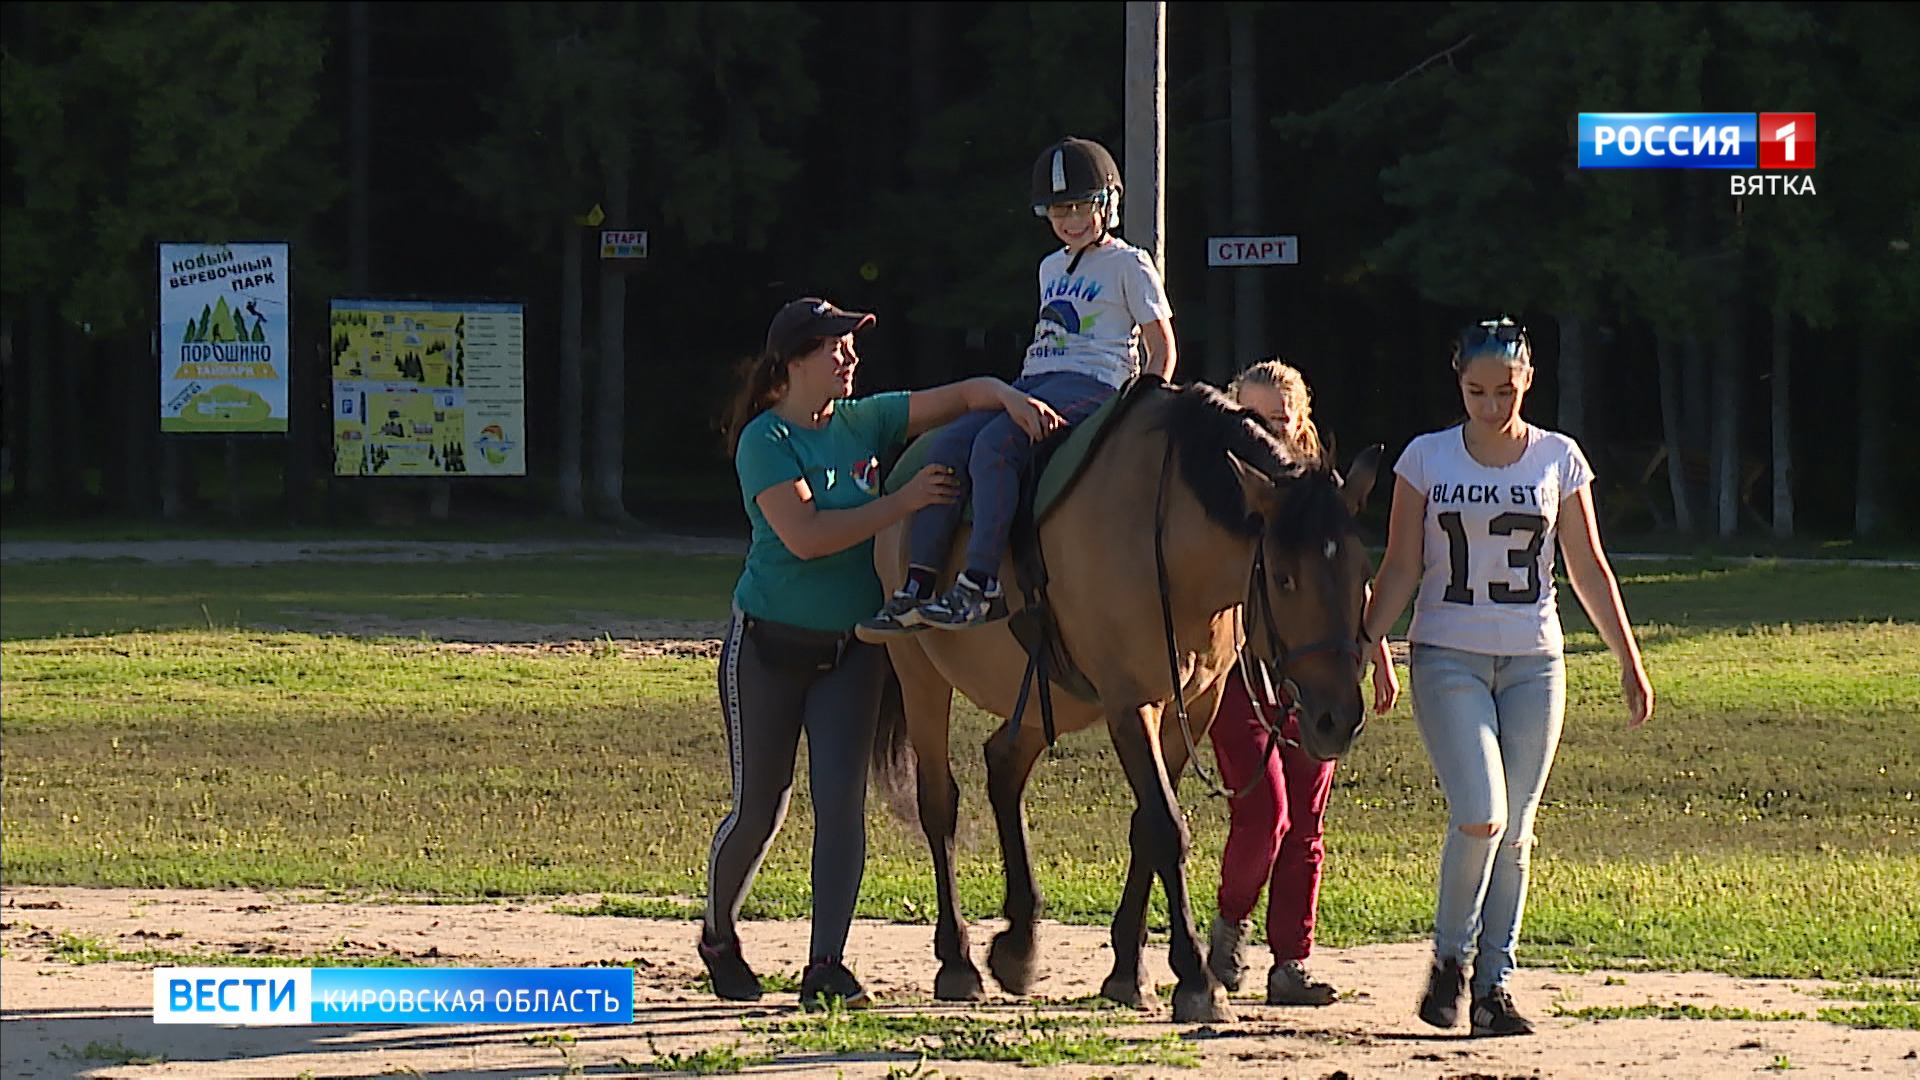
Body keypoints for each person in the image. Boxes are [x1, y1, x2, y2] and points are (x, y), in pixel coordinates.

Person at [702, 297, 1066, 1010]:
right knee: (760, 809)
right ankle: (719, 933)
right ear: (793, 361)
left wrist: (1010, 400)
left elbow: (960, 396)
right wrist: (903, 503)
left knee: (842, 807)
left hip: (851, 650)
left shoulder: (863, 419)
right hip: (769, 648)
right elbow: (806, 536)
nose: (850, 358)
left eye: (852, 347)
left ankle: (826, 967)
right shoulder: (765, 442)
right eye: (835, 348)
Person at [1359, 318, 1654, 1037]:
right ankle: (1451, 962)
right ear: (1457, 382)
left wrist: (1627, 657)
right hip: (1447, 653)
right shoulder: (1425, 459)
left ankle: (1494, 987)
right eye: (1475, 391)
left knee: (1517, 832)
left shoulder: (1558, 457)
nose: (1490, 406)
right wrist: (1366, 644)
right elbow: (1400, 565)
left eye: (1504, 390)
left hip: (1535, 660)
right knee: (1481, 813)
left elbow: (1586, 566)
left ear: (1528, 381)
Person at [858, 136, 1176, 637]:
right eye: (1056, 211)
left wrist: (1144, 410)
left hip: (1095, 383)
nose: (1069, 221)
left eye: (1079, 206)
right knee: (948, 444)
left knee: (995, 444)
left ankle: (981, 583)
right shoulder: (1049, 267)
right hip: (1034, 379)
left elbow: (1162, 346)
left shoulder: (1129, 264)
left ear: (1109, 202)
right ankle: (916, 585)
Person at [1204, 360, 1399, 1006]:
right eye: (1253, 420)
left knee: (1306, 821)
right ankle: (1230, 927)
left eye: (1279, 420)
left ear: (1301, 423)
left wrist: (1378, 654)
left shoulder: (1323, 496)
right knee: (1265, 812)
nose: (1269, 432)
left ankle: (1291, 960)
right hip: (1237, 669)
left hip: (1313, 669)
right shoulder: (1221, 494)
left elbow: (1347, 579)